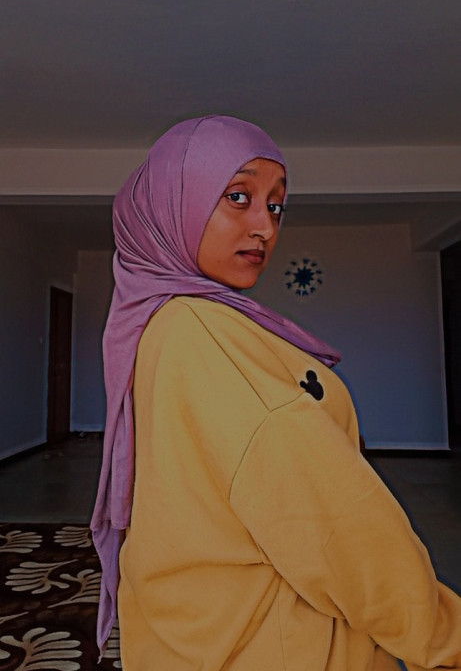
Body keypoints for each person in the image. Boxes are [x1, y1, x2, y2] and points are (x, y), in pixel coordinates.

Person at [91, 115, 461, 670]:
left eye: (276, 205)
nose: (265, 225)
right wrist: (446, 640)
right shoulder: (202, 332)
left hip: (202, 633)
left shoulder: (159, 322)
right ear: (172, 205)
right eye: (238, 197)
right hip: (278, 645)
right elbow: (336, 527)